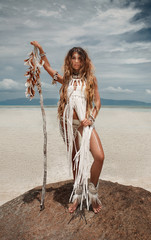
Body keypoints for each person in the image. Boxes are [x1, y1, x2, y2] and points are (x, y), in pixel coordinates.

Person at [30, 41, 104, 214]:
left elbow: (98, 103)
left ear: (84, 61)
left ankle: (92, 193)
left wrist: (91, 118)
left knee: (99, 156)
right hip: (67, 124)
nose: (76, 61)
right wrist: (41, 50)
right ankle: (78, 195)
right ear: (69, 60)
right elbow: (47, 68)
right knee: (75, 160)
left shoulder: (90, 79)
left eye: (79, 58)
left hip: (84, 124)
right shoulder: (66, 79)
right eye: (73, 58)